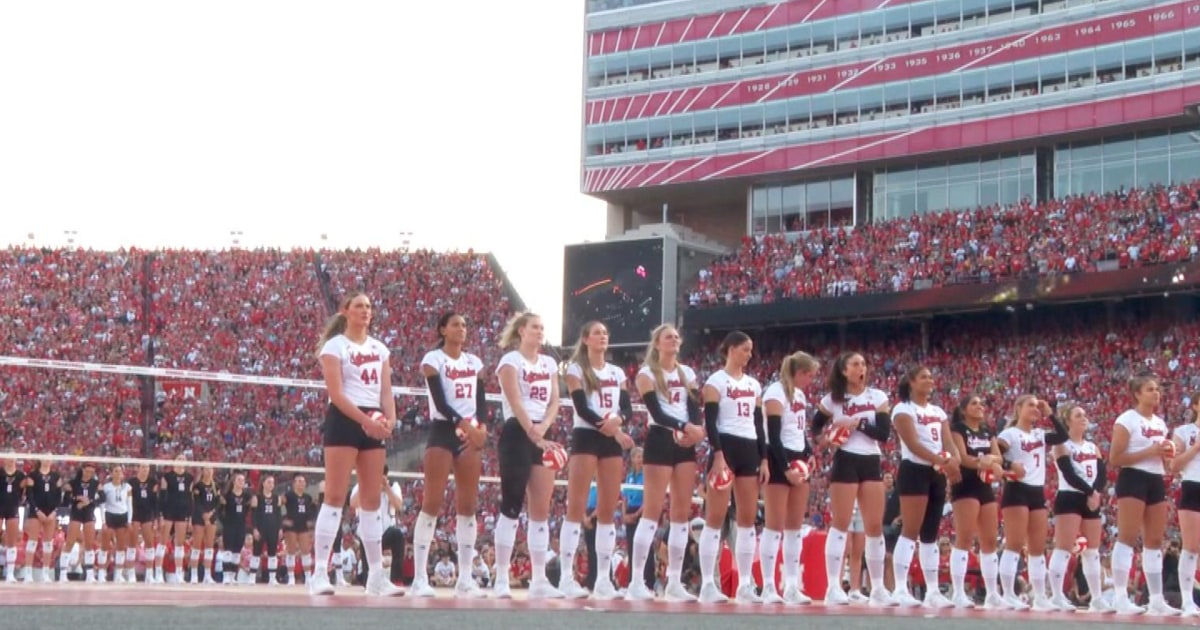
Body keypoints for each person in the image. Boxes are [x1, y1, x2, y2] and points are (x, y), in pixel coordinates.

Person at [310, 292, 403, 596]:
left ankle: (376, 575)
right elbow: (336, 394)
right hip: (345, 418)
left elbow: (386, 390)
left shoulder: (379, 348)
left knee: (372, 499)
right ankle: (319, 573)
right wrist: (366, 421)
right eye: (359, 306)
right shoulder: (335, 346)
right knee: (335, 495)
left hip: (373, 419)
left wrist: (390, 419)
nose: (365, 310)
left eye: (368, 306)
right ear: (346, 311)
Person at [412, 311, 489, 599]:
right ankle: (420, 578)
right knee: (432, 502)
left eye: (465, 325)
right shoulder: (433, 360)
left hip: (469, 432)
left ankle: (465, 578)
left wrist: (481, 428)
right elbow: (440, 400)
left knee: (468, 505)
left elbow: (480, 401)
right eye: (456, 324)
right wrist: (462, 422)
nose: (462, 329)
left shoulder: (475, 363)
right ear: (443, 329)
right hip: (444, 429)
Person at [559, 321, 633, 600]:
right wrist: (610, 427)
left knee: (607, 509)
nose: (602, 336)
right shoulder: (576, 369)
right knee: (576, 507)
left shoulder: (617, 372)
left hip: (609, 437)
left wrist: (618, 422)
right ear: (586, 339)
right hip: (587, 435)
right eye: (597, 333)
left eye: (605, 333)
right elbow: (581, 407)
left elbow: (626, 407)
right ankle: (565, 577)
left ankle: (604, 579)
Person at [812, 352, 893, 606]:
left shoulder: (877, 397)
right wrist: (826, 439)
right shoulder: (832, 400)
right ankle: (833, 586)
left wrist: (857, 424)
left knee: (874, 526)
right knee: (840, 524)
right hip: (845, 459)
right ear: (844, 371)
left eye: (863, 364)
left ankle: (877, 587)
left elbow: (883, 433)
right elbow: (815, 428)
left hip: (870, 459)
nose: (861, 368)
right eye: (855, 364)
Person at [493, 312, 563, 599]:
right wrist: (534, 432)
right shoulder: (510, 361)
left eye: (542, 327)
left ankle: (539, 579)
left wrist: (544, 429)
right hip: (517, 431)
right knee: (511, 504)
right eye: (535, 326)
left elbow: (555, 400)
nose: (540, 331)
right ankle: (500, 578)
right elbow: (515, 400)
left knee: (541, 511)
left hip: (542, 433)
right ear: (521, 331)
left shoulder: (549, 363)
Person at [631, 324, 703, 602]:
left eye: (676, 336)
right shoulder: (646, 374)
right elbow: (658, 413)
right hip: (661, 437)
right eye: (667, 337)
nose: (673, 340)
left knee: (681, 513)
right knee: (652, 510)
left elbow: (693, 407)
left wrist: (695, 429)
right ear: (657, 343)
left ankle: (674, 581)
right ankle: (636, 580)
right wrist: (685, 426)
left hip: (684, 441)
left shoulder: (688, 373)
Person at [698, 330, 766, 604]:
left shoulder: (754, 384)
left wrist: (763, 458)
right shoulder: (715, 381)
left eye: (750, 350)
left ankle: (745, 584)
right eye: (745, 349)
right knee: (714, 517)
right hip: (725, 445)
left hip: (749, 447)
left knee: (747, 519)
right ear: (731, 349)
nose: (749, 355)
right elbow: (710, 422)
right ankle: (707, 584)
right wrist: (718, 454)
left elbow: (758, 424)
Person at [889, 365, 960, 608]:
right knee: (910, 530)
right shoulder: (903, 409)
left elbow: (948, 441)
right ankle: (900, 588)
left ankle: (933, 591)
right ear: (911, 381)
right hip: (915, 470)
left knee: (931, 534)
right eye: (924, 377)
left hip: (937, 473)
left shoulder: (938, 411)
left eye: (931, 376)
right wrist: (942, 460)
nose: (929, 380)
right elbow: (913, 443)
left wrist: (954, 460)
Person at [1109, 373, 1179, 615]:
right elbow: (1115, 458)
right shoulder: (1126, 420)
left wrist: (1167, 456)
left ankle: (1156, 599)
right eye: (1150, 389)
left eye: (1157, 389)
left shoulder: (1160, 423)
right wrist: (1150, 452)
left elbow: (1162, 457)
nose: (1156, 393)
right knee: (1127, 537)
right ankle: (1120, 597)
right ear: (1137, 394)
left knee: (1155, 541)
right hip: (1133, 478)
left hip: (1155, 478)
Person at [996, 395, 1067, 611]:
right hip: (1017, 489)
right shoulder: (1009, 434)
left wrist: (1050, 414)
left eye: (1037, 406)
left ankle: (1040, 596)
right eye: (1031, 405)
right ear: (1019, 408)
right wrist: (1009, 464)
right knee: (1015, 544)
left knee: (1037, 547)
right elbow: (994, 453)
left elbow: (1062, 435)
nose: (1035, 409)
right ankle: (1008, 594)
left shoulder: (1039, 434)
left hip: (1037, 491)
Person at [761, 351, 819, 604]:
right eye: (809, 375)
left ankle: (792, 585)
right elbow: (774, 435)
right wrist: (785, 468)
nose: (811, 380)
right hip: (778, 458)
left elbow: (799, 429)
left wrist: (809, 453)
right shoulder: (775, 393)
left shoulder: (800, 395)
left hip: (798, 457)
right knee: (774, 525)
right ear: (800, 372)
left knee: (795, 527)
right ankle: (768, 586)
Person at [1048, 404, 1106, 612]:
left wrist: (1095, 492)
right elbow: (1069, 474)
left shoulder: (1093, 447)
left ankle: (1097, 598)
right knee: (1063, 548)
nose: (1084, 418)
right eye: (1078, 415)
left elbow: (1101, 474)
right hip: (1069, 496)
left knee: (1092, 550)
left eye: (1085, 415)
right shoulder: (1061, 445)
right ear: (1068, 421)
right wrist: (1090, 492)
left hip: (1091, 497)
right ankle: (1056, 596)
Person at [948, 395, 1004, 608]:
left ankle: (992, 593)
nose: (980, 406)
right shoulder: (957, 429)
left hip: (984, 486)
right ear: (963, 410)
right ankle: (958, 592)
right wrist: (983, 461)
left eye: (981, 403)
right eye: (974, 403)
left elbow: (998, 456)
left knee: (989, 540)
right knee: (965, 538)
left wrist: (991, 460)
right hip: (965, 484)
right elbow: (962, 457)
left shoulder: (987, 430)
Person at [349, 466, 405, 585]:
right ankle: (369, 580)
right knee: (367, 581)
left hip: (386, 531)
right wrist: (368, 486)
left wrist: (386, 487)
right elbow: (353, 503)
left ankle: (396, 580)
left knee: (398, 535)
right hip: (367, 533)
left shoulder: (393, 486)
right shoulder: (361, 485)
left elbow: (398, 505)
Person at [1171, 393, 1200, 616]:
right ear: (1196, 406)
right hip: (1192, 485)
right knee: (1191, 546)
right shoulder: (1183, 432)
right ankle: (1187, 600)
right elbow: (1174, 465)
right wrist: (1196, 447)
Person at [21, 460, 61, 583]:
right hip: (36, 511)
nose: (47, 460)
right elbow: (30, 495)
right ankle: (28, 574)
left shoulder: (56, 476)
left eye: (49, 458)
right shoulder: (33, 475)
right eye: (45, 458)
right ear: (41, 459)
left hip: (51, 512)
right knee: (32, 541)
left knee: (48, 543)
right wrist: (37, 511)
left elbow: (58, 496)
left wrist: (54, 512)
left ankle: (46, 573)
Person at [62, 463, 99, 583]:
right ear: (82, 470)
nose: (89, 474)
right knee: (69, 542)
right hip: (76, 513)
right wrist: (77, 498)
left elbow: (100, 499)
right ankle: (63, 573)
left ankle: (90, 575)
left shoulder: (95, 483)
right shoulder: (74, 482)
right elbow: (66, 500)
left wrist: (88, 502)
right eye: (87, 471)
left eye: (91, 472)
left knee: (89, 544)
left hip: (89, 514)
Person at [159, 455, 193, 584]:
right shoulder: (167, 477)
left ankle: (179, 574)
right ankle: (158, 573)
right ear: (174, 462)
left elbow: (190, 499)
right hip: (168, 511)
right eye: (179, 459)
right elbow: (162, 497)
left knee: (180, 544)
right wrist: (161, 515)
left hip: (182, 512)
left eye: (184, 459)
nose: (181, 461)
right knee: (162, 542)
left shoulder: (189, 478)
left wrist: (189, 517)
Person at [99, 464, 132, 583]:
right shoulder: (106, 487)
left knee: (121, 547)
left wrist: (129, 520)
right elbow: (102, 505)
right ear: (111, 473)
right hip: (110, 516)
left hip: (122, 516)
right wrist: (103, 521)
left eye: (120, 471)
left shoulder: (127, 487)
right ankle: (101, 573)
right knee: (104, 546)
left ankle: (118, 574)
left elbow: (129, 504)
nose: (118, 473)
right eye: (116, 471)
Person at [250, 474, 283, 585]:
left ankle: (272, 578)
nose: (271, 485)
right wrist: (254, 529)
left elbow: (279, 515)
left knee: (272, 553)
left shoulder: (277, 498)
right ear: (263, 483)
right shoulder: (257, 497)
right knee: (256, 552)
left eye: (272, 482)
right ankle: (252, 577)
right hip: (260, 528)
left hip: (273, 528)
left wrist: (280, 528)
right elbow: (253, 515)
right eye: (269, 482)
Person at [128, 463, 159, 583]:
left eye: (147, 467)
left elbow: (155, 501)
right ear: (138, 468)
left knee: (150, 543)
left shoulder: (153, 482)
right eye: (143, 467)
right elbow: (128, 500)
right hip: (134, 514)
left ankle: (149, 575)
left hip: (147, 514)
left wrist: (155, 518)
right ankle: (131, 574)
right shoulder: (131, 482)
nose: (145, 469)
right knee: (132, 543)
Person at [220, 472, 252, 585]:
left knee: (237, 552)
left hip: (241, 526)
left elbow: (247, 510)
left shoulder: (246, 496)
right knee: (228, 551)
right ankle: (226, 576)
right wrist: (225, 522)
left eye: (243, 480)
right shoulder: (227, 495)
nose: (241, 482)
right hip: (229, 526)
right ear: (233, 481)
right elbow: (220, 511)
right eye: (239, 480)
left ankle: (233, 576)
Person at [189, 467, 219, 584]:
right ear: (202, 472)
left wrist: (211, 514)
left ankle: (207, 575)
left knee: (209, 546)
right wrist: (204, 514)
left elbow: (217, 503)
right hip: (199, 517)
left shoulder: (216, 486)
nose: (209, 471)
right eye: (206, 469)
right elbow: (197, 502)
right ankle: (194, 575)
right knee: (196, 545)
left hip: (211, 517)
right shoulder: (198, 486)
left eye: (211, 469)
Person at [0, 458, 26, 583]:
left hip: (13, 508)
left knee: (12, 541)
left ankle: (10, 573)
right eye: (8, 459)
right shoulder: (0, 472)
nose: (10, 461)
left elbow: (24, 492)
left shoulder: (21, 475)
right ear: (4, 460)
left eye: (12, 459)